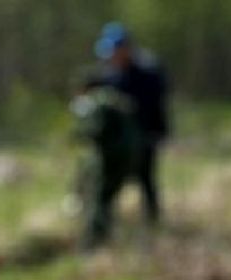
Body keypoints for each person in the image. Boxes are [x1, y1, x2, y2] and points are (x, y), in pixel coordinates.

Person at [93, 22, 169, 232]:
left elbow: (157, 108)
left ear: (126, 49)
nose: (112, 57)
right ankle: (103, 226)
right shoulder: (107, 77)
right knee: (107, 185)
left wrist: (158, 132)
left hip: (144, 138)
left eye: (116, 51)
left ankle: (153, 223)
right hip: (114, 144)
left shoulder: (147, 75)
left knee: (146, 180)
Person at [71, 70, 140, 247]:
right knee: (108, 197)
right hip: (130, 155)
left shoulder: (95, 103)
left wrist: (81, 134)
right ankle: (107, 237)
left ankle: (92, 242)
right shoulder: (117, 99)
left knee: (98, 199)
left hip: (107, 157)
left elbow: (96, 131)